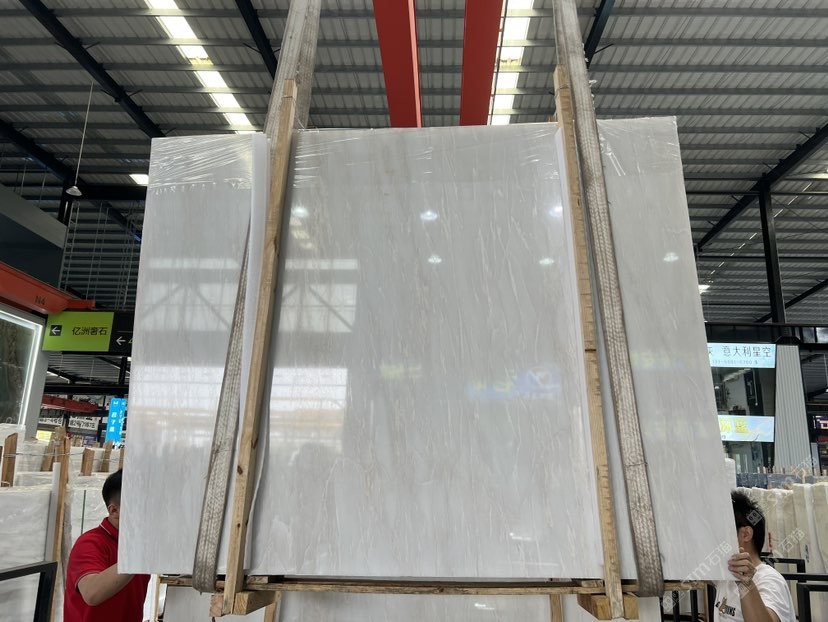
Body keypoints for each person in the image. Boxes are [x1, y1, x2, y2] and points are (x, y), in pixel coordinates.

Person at [64, 469, 149, 622]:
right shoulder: (89, 543)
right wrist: (139, 553)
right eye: (140, 506)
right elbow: (92, 593)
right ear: (114, 510)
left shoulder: (136, 542)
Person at [714, 490, 795, 622]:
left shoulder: (770, 580)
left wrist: (746, 585)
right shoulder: (726, 577)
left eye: (723, 531)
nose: (717, 539)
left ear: (746, 534)